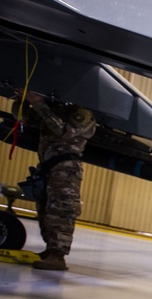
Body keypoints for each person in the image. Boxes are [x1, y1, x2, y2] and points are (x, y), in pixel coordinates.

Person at [20, 90, 96, 271]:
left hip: (65, 168)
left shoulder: (83, 114)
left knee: (61, 210)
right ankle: (50, 249)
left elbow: (64, 132)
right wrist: (22, 100)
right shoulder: (53, 109)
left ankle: (58, 255)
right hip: (47, 165)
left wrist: (39, 103)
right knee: (44, 208)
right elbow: (26, 119)